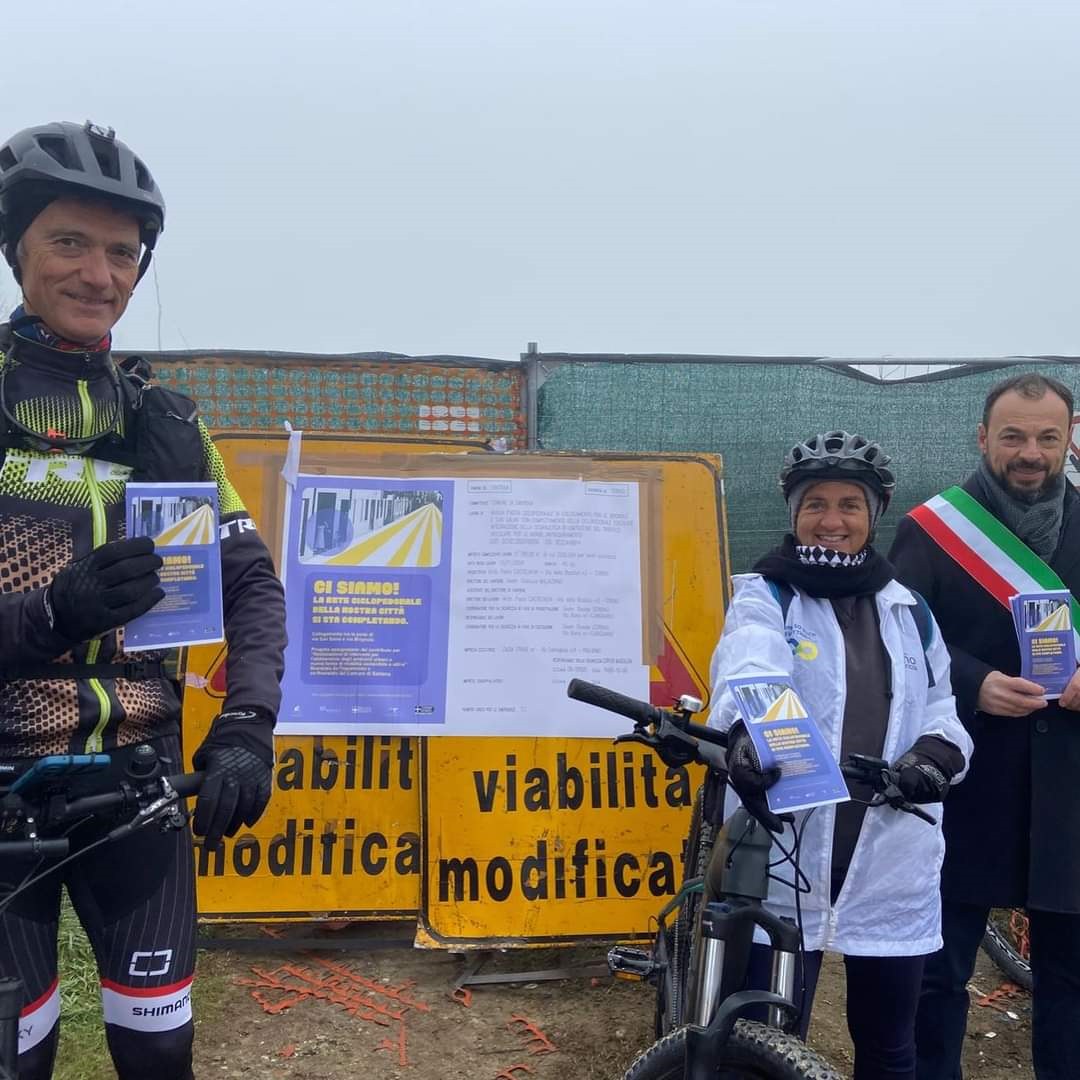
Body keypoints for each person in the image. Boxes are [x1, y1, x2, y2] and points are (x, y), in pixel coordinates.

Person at [0, 121, 287, 1080]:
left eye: (123, 252)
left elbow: (249, 580)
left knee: (160, 1056)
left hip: (140, 787)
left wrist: (248, 722)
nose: (99, 274)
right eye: (69, 243)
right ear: (17, 251)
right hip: (3, 790)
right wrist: (45, 618)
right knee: (18, 1055)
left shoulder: (165, 424)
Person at [708, 430, 972, 1080]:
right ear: (794, 515)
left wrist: (935, 757)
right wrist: (746, 736)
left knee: (888, 1045)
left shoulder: (911, 612)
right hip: (784, 852)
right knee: (762, 1038)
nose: (832, 520)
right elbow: (749, 673)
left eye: (849, 505)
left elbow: (944, 713)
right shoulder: (766, 597)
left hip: (889, 861)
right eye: (815, 504)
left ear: (874, 513)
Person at [889, 373, 1080, 1080]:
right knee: (938, 976)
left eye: (1046, 437)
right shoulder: (930, 529)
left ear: (1068, 438)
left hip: (1070, 789)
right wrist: (972, 683)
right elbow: (900, 639)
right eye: (1013, 436)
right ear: (982, 438)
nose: (1030, 452)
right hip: (966, 783)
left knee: (1071, 981)